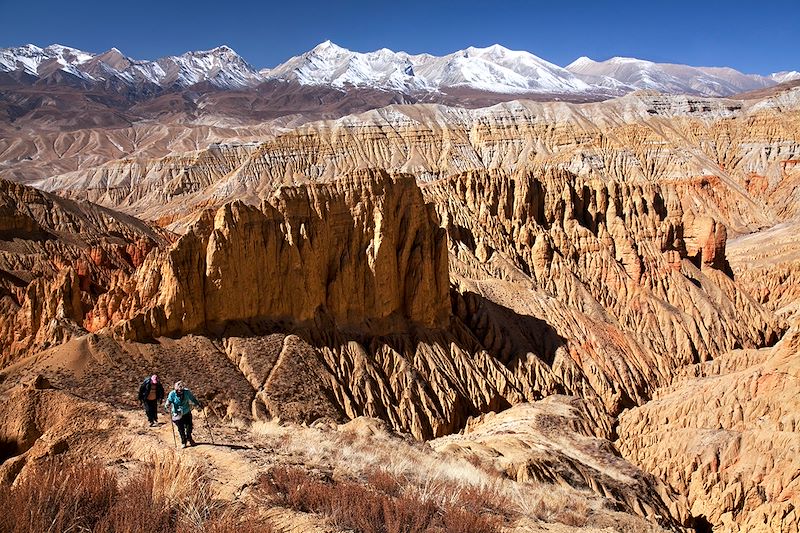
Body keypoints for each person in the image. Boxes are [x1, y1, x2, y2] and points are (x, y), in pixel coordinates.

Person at [164, 380, 202, 448]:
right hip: (177, 413)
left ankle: (189, 438)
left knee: (189, 426)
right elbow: (168, 401)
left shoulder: (186, 392)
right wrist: (167, 405)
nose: (180, 392)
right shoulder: (172, 394)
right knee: (181, 428)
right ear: (176, 389)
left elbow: (192, 398)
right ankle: (183, 441)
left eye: (181, 390)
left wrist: (197, 404)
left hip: (186, 411)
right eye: (179, 390)